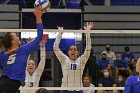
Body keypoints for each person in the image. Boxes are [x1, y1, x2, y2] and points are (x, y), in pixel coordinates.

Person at [0, 6, 43, 93]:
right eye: (16, 36)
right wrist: (38, 17)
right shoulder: (22, 50)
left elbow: (39, 38)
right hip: (9, 83)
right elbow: (39, 37)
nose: (18, 37)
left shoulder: (4, 54)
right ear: (13, 41)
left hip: (6, 82)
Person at [53, 22, 93, 92]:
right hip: (65, 89)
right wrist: (60, 34)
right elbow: (55, 48)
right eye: (71, 49)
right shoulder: (64, 59)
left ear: (78, 52)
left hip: (78, 90)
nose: (73, 51)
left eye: (75, 50)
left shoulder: (82, 60)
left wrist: (87, 33)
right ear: (68, 52)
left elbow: (88, 48)